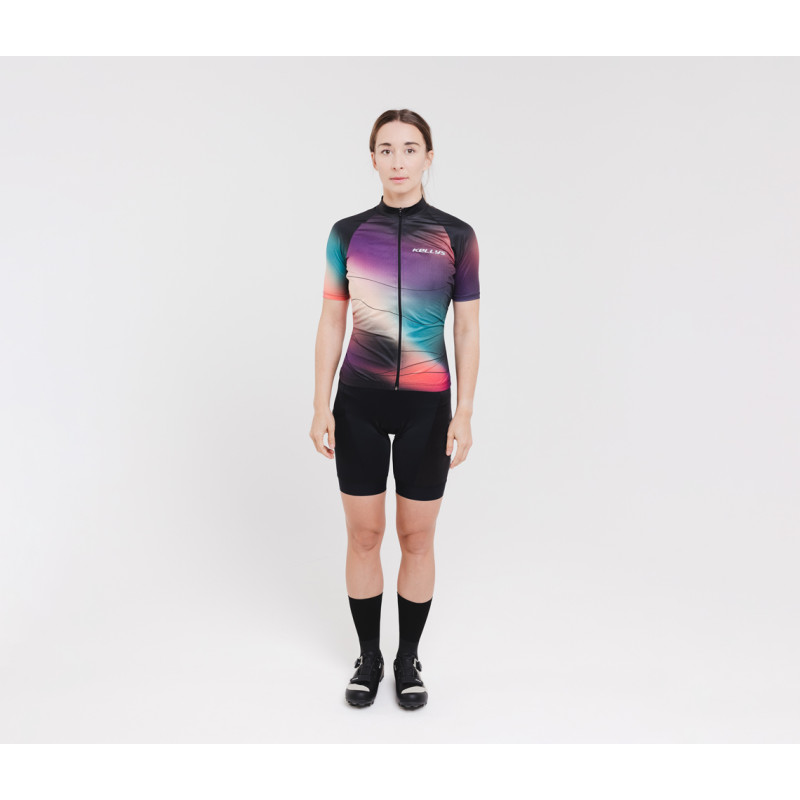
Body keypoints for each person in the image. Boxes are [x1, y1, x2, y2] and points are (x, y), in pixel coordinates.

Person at [309, 108, 480, 709]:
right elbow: (331, 320)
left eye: (410, 149)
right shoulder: (347, 233)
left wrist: (465, 413)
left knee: (416, 536)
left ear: (428, 158)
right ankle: (369, 657)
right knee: (364, 534)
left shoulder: (457, 237)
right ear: (373, 159)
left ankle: (408, 658)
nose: (398, 160)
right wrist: (320, 403)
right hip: (358, 401)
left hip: (428, 408)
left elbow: (467, 329)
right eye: (387, 149)